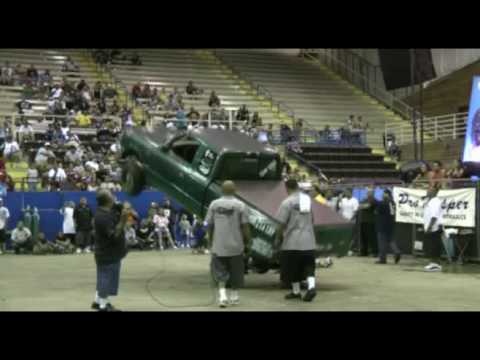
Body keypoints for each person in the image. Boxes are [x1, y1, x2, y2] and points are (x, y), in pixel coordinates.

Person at [206, 180, 251, 308]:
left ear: (221, 190)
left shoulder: (214, 204)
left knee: (220, 272)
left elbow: (209, 225)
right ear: (234, 190)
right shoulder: (241, 205)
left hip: (219, 245)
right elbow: (245, 226)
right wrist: (249, 241)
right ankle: (235, 297)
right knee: (236, 271)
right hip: (236, 246)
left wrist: (209, 240)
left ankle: (223, 297)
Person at [275, 179, 317, 302]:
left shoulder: (287, 202)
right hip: (308, 240)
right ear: (297, 187)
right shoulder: (307, 200)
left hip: (292, 241)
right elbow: (312, 219)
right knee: (309, 267)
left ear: (287, 188)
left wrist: (278, 238)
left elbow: (281, 223)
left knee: (293, 268)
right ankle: (311, 287)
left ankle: (296, 291)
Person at [92, 189, 128, 311]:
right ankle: (103, 306)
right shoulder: (102, 217)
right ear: (108, 200)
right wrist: (123, 221)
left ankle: (97, 301)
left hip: (108, 252)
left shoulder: (106, 210)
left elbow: (121, 206)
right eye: (111, 195)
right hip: (108, 253)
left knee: (103, 277)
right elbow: (114, 236)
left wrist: (124, 207)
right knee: (106, 279)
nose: (114, 196)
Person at [373, 189, 401, 264]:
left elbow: (376, 212)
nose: (382, 195)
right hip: (391, 224)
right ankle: (396, 251)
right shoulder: (392, 202)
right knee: (391, 240)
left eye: (384, 193)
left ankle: (383, 259)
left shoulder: (383, 203)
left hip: (383, 225)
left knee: (382, 243)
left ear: (387, 194)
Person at [423, 186, 444, 272]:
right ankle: (435, 264)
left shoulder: (435, 201)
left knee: (434, 246)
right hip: (431, 227)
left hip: (434, 228)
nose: (427, 191)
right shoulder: (429, 201)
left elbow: (434, 216)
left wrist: (429, 227)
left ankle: (435, 264)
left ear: (434, 192)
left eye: (429, 190)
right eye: (427, 189)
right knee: (432, 246)